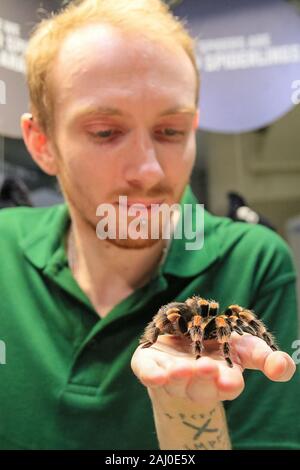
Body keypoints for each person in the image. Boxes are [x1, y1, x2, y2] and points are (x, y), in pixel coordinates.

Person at [0, 0, 299, 450]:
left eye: (171, 132)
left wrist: (187, 405)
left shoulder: (253, 260)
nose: (149, 171)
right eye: (105, 132)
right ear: (42, 143)